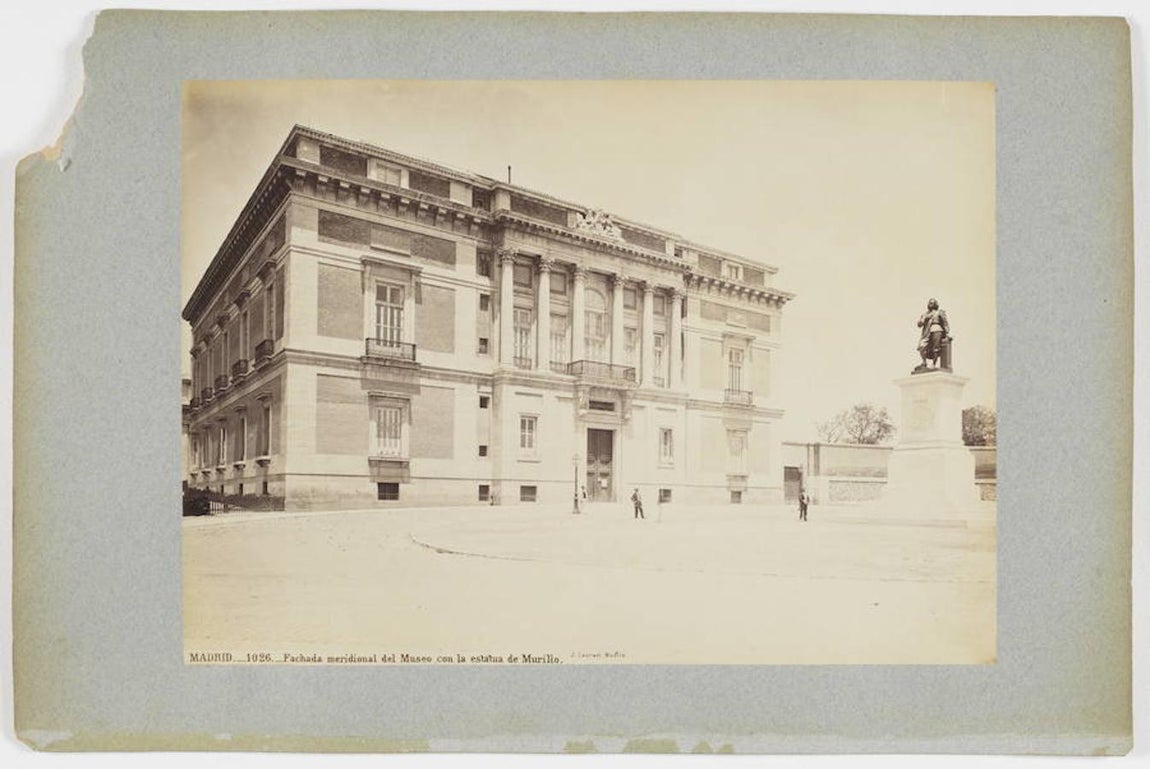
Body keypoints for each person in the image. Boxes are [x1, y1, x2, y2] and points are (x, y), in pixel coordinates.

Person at [915, 298, 951, 372]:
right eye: (929, 303)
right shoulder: (925, 314)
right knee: (921, 346)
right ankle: (924, 362)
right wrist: (922, 321)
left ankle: (933, 364)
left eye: (932, 303)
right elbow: (919, 324)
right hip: (927, 331)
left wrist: (947, 332)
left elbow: (945, 322)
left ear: (935, 304)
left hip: (936, 329)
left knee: (936, 348)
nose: (930, 304)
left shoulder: (939, 312)